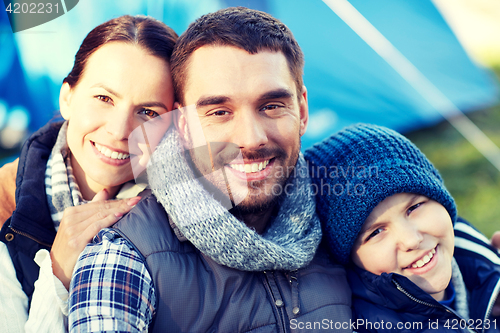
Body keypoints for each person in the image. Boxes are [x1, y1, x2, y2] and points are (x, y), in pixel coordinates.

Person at [68, 7, 352, 333]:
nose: (251, 139)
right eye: (219, 111)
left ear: (301, 111)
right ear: (184, 125)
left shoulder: (343, 218)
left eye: (271, 106)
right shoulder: (123, 255)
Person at [0, 15, 177, 333]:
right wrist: (58, 271)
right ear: (67, 98)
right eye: (104, 98)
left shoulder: (186, 213)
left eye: (148, 112)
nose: (120, 130)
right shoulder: (3, 203)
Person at [305, 123, 500, 332]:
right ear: (350, 257)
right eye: (376, 232)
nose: (411, 240)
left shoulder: (484, 266)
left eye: (414, 207)